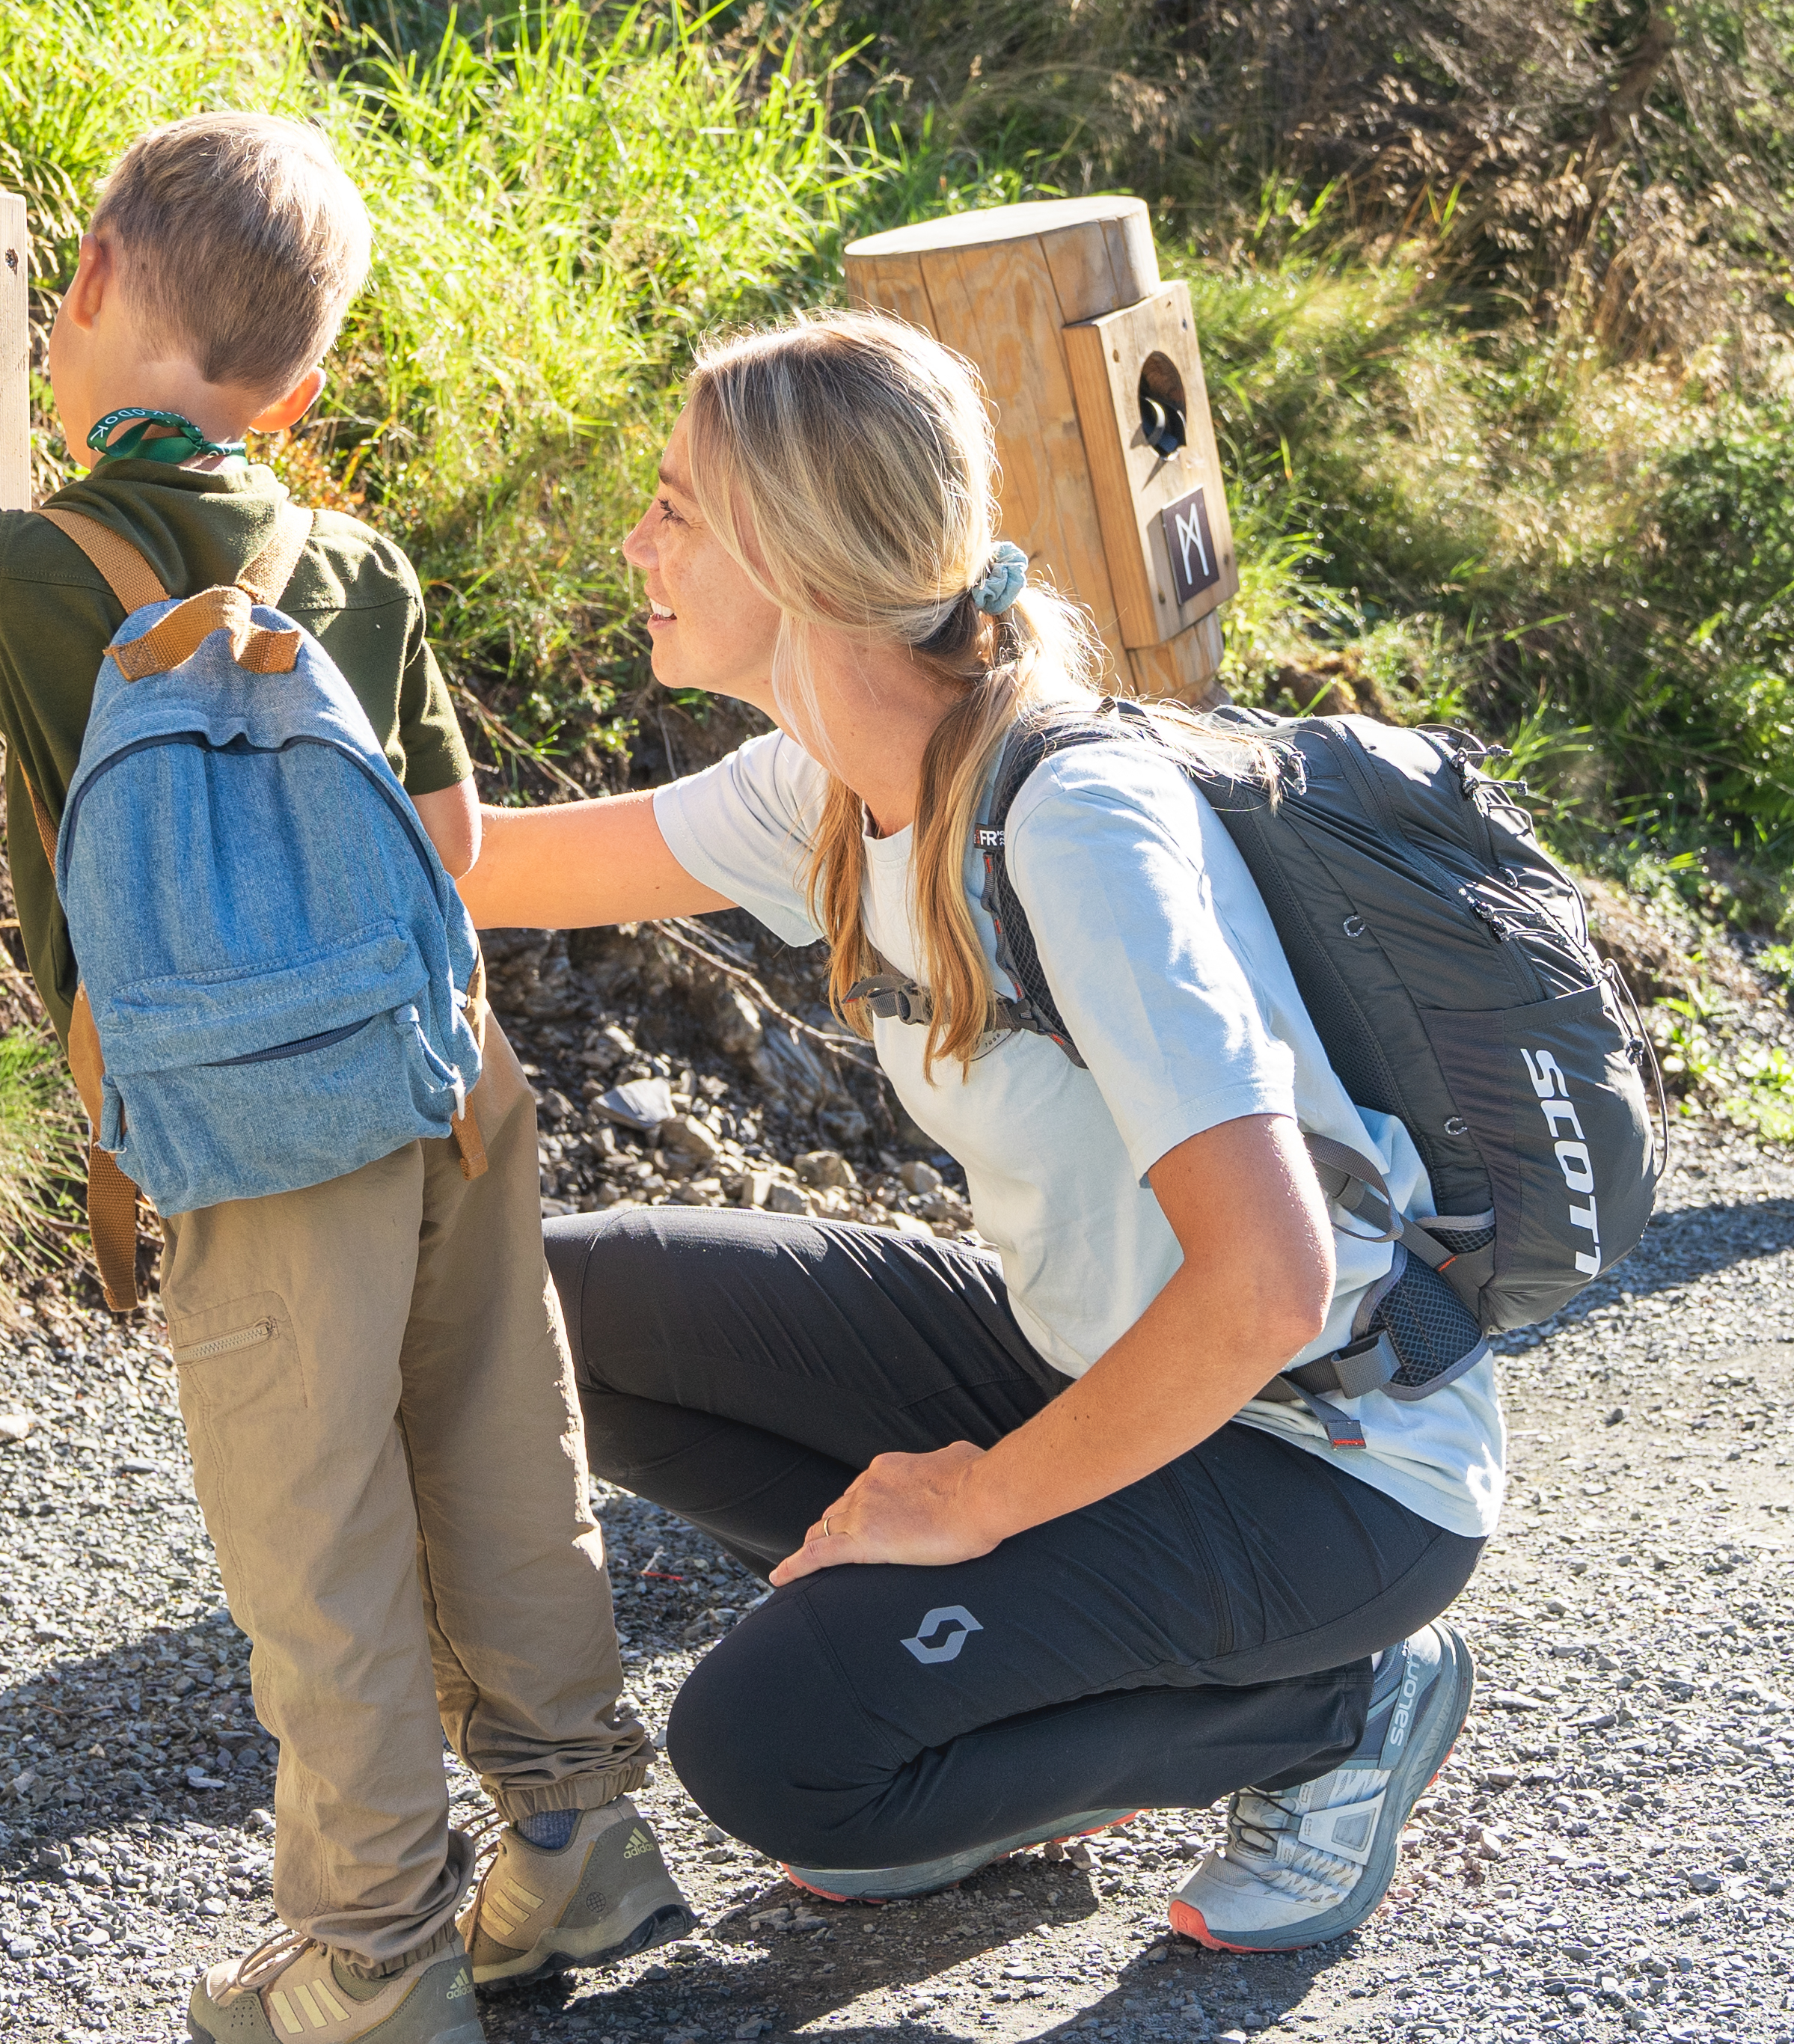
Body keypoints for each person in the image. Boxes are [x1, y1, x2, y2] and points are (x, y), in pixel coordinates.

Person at [0, 113, 684, 2044]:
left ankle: (372, 1958)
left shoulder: (21, 571)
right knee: (507, 1447)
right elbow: (453, 843)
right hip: (446, 1075)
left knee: (315, 1527)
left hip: (264, 1132)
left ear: (73, 288)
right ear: (307, 388)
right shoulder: (357, 561)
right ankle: (580, 1834)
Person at [462, 312, 1492, 1952]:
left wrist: (984, 1503)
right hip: (1088, 1362)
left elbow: (1275, 1283)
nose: (637, 540)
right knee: (544, 1316)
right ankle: (989, 1708)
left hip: (1321, 1461)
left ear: (793, 557)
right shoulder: (832, 774)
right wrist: (229, 685)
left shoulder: (1071, 819)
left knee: (767, 1755)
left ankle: (1339, 1710)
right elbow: (486, 863)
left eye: (674, 504)